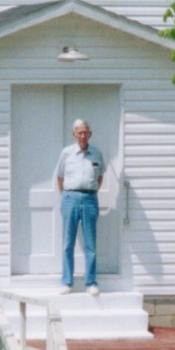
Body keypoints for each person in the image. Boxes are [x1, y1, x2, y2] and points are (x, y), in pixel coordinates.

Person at [55, 118, 105, 295]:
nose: (83, 135)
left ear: (90, 134)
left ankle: (91, 282)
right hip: (70, 198)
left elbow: (100, 177)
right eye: (79, 132)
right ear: (74, 134)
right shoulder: (66, 153)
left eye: (86, 132)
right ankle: (67, 282)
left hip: (90, 199)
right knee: (68, 243)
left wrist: (90, 192)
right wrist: (68, 195)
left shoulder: (96, 153)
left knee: (90, 243)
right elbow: (60, 177)